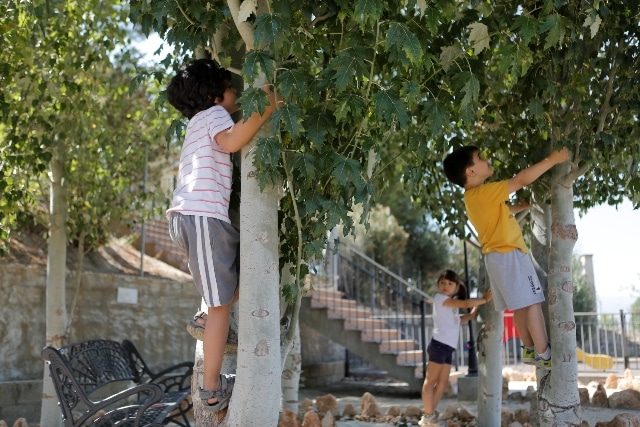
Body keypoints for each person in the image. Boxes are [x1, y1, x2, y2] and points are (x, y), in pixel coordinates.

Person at [165, 58, 279, 411]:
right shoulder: (214, 116)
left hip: (199, 217)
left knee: (227, 291)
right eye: (233, 88)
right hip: (201, 217)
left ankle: (205, 320)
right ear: (216, 95)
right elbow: (232, 142)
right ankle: (210, 388)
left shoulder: (199, 121)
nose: (237, 94)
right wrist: (268, 105)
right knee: (220, 307)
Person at [442, 146, 570, 372]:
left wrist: (521, 206)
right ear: (470, 172)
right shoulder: (484, 192)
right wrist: (554, 158)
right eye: (480, 158)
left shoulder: (474, 198)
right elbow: (520, 180)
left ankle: (530, 348)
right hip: (510, 255)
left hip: (497, 258)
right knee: (532, 304)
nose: (486, 158)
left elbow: (500, 211)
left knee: (521, 306)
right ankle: (546, 354)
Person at [419, 270, 492, 426]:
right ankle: (427, 416)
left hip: (447, 348)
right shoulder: (440, 299)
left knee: (443, 383)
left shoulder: (450, 307)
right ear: (438, 285)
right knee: (430, 381)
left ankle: (430, 412)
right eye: (443, 283)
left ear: (457, 287)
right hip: (439, 345)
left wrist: (475, 309)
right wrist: (484, 300)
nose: (446, 286)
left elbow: (466, 317)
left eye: (450, 283)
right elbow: (465, 304)